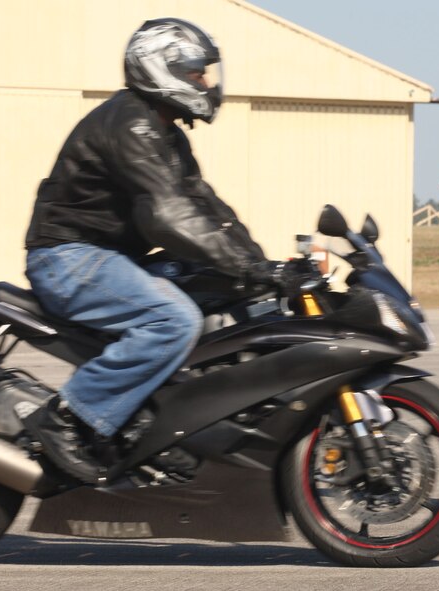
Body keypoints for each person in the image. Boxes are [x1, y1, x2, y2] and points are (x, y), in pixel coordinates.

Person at [21, 18, 272, 483]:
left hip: (110, 257)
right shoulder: (130, 124)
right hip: (68, 257)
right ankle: (68, 419)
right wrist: (244, 264)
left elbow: (206, 205)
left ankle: (160, 428)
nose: (207, 83)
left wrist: (261, 265)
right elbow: (167, 215)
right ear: (162, 69)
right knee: (172, 319)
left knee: (221, 290)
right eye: (198, 73)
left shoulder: (165, 132)